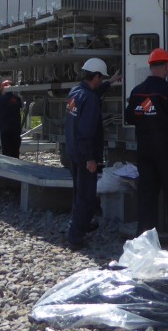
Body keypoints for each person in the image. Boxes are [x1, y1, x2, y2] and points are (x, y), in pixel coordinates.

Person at [124, 48, 168, 246]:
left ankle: (145, 242)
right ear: (166, 66)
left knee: (147, 194)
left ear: (150, 66)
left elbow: (130, 116)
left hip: (145, 150)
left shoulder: (137, 91)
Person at [63, 58, 120, 249]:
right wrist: (90, 158)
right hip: (84, 154)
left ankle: (81, 225)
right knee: (86, 196)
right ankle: (75, 236)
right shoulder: (91, 100)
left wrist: (109, 83)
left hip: (73, 151)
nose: (100, 80)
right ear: (95, 76)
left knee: (78, 193)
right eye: (101, 78)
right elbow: (87, 131)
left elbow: (93, 93)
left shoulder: (75, 92)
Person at [0, 79, 24, 157]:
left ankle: (7, 166)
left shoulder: (1, 99)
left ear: (3, 89)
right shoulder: (17, 99)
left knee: (6, 150)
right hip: (16, 128)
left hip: (5, 129)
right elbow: (20, 110)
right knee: (15, 149)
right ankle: (16, 165)